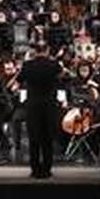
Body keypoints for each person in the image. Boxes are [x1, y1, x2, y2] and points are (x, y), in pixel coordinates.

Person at [19, 41, 61, 179]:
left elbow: (20, 79)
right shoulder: (54, 65)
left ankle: (35, 170)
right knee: (47, 138)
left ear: (35, 51)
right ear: (48, 50)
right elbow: (60, 75)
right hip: (49, 105)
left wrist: (26, 60)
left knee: (34, 138)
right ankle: (47, 169)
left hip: (33, 106)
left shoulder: (28, 65)